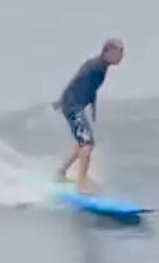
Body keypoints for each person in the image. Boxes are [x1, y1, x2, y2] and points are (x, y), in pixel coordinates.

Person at [53, 37, 125, 194]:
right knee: (87, 144)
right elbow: (78, 79)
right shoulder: (95, 66)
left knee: (82, 142)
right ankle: (81, 184)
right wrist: (64, 101)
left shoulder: (101, 66)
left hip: (73, 105)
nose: (121, 57)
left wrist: (91, 106)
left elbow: (89, 88)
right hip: (73, 106)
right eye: (119, 52)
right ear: (108, 51)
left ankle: (61, 172)